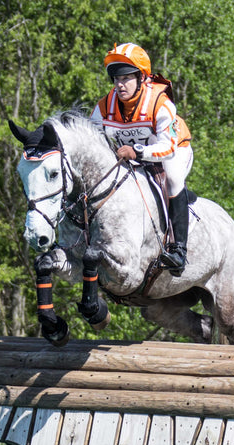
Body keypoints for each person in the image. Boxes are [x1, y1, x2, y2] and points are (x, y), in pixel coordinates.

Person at [90, 43, 193, 276]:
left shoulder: (160, 102)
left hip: (174, 150)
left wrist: (136, 152)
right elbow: (93, 139)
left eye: (126, 77)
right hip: (136, 155)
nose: (120, 84)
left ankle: (179, 251)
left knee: (174, 179)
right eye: (116, 78)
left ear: (141, 77)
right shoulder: (105, 105)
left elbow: (168, 149)